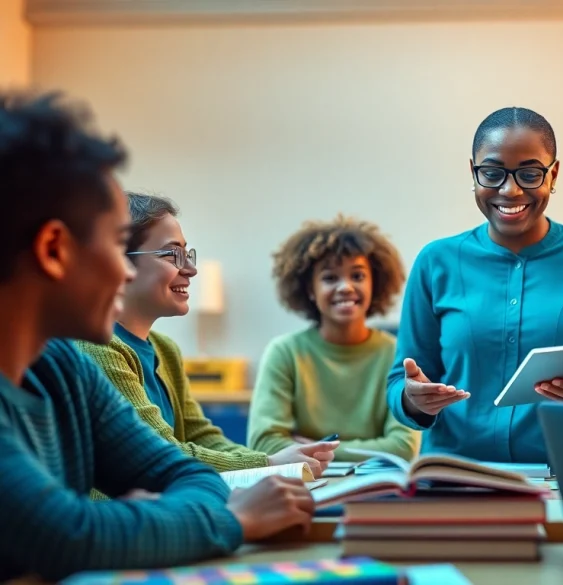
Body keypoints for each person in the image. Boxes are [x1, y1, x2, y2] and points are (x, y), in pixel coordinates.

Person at [0, 91, 312, 582]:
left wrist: (144, 519)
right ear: (54, 249)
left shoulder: (65, 369)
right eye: (111, 243)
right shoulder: (82, 359)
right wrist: (233, 517)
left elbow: (186, 475)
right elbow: (65, 535)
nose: (124, 275)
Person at [386, 106, 563, 463]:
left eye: (530, 174)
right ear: (473, 173)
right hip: (456, 476)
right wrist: (412, 399)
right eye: (492, 173)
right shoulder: (436, 261)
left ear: (554, 174)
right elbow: (400, 384)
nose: (511, 190)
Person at [76, 192, 338, 478]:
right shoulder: (95, 347)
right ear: (118, 263)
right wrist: (269, 465)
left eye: (187, 254)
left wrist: (273, 460)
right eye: (171, 254)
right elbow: (161, 453)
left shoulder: (165, 349)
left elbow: (201, 437)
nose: (190, 269)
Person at [249, 214, 420, 462]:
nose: (345, 287)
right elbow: (264, 443)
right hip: (304, 488)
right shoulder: (284, 353)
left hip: (374, 492)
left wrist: (316, 449)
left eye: (358, 276)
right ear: (310, 289)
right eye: (330, 278)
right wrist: (372, 449)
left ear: (375, 283)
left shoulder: (398, 355)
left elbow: (403, 446)